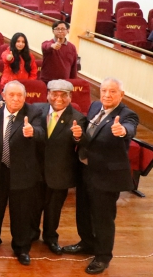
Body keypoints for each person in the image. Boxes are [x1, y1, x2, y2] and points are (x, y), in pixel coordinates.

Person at [64, 78, 138, 274]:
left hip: (106, 176)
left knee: (103, 218)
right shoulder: (96, 105)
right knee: (83, 211)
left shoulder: (127, 115)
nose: (107, 95)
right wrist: (79, 136)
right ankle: (87, 243)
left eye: (112, 92)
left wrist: (122, 131)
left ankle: (103, 257)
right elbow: (91, 136)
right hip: (85, 169)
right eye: (104, 90)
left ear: (121, 95)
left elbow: (129, 129)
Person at [0, 81, 45, 266]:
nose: (16, 98)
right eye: (12, 95)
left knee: (21, 211)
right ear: (3, 95)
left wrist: (32, 131)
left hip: (22, 172)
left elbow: (41, 133)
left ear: (25, 97)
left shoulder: (33, 113)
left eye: (20, 95)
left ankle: (21, 247)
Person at [29, 80, 85, 256]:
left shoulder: (78, 118)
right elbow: (15, 105)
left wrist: (78, 137)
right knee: (34, 205)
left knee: (54, 209)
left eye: (63, 95)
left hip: (60, 172)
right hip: (37, 170)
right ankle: (31, 234)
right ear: (48, 95)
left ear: (70, 97)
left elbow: (83, 143)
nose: (58, 98)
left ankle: (50, 237)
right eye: (54, 93)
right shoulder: (37, 109)